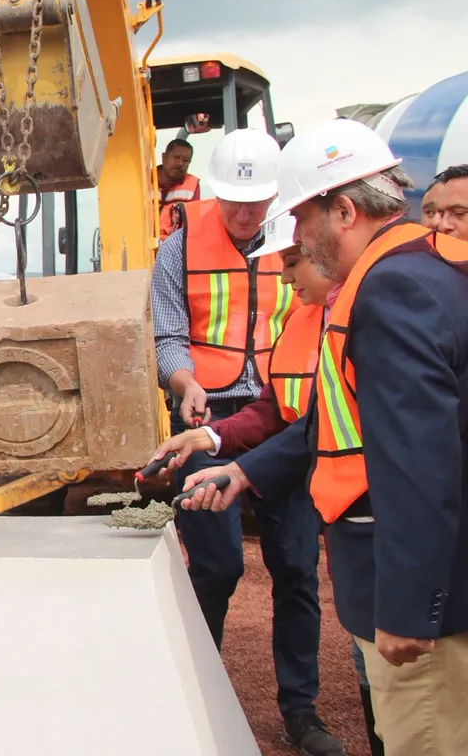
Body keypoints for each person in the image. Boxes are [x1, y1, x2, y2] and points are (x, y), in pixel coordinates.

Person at [180, 118, 468, 756]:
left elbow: (423, 459)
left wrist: (409, 603)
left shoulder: (392, 288)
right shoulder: (419, 273)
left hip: (436, 606)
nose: (298, 245)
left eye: (299, 223)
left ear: (342, 210)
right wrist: (244, 469)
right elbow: (341, 417)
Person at [152, 212, 373, 755]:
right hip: (229, 421)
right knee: (215, 567)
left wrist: (236, 461)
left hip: (355, 493)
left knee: (298, 570)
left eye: (291, 263)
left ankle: (301, 710)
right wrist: (207, 438)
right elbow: (281, 411)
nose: (283, 276)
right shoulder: (301, 319)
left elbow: (307, 425)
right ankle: (197, 695)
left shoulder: (362, 314)